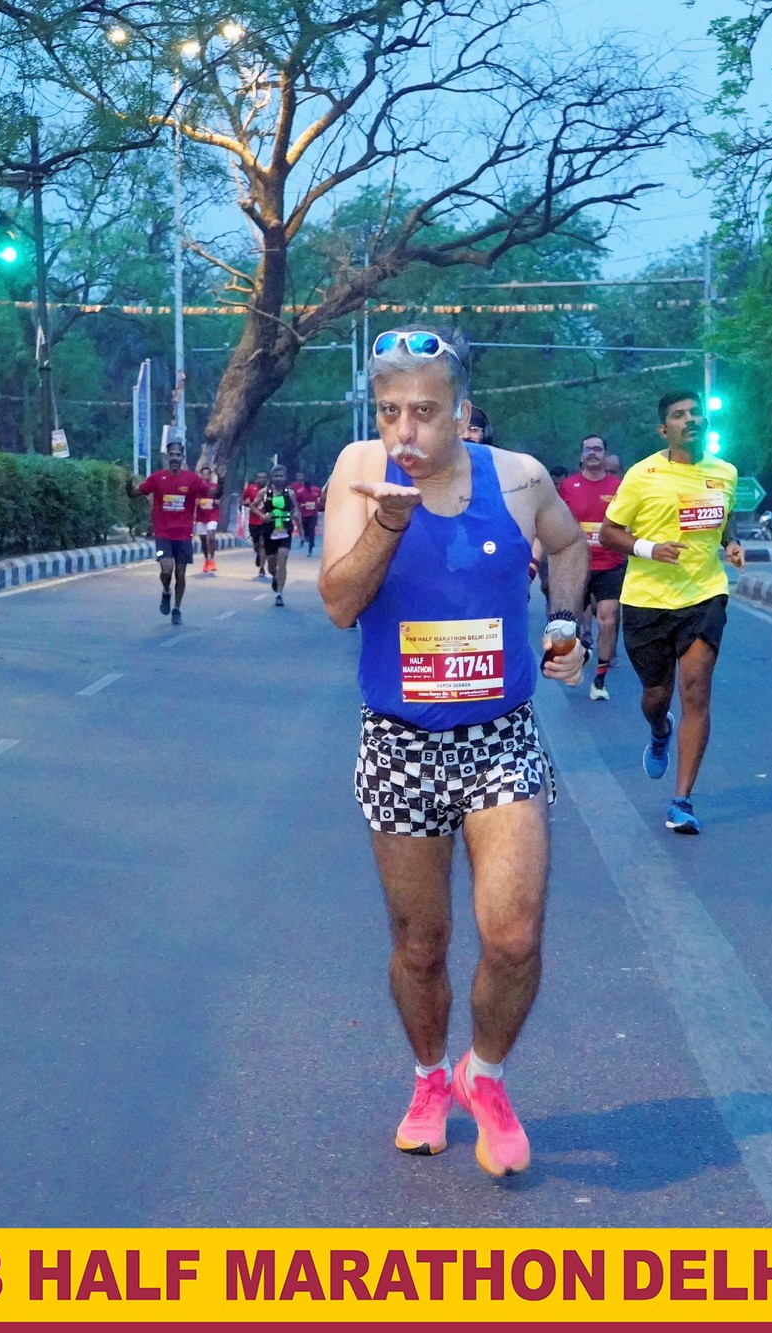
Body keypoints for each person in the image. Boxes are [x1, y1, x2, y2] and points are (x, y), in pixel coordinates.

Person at [319, 325, 589, 1179]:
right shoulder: (359, 472)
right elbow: (339, 602)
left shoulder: (519, 477)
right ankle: (431, 1076)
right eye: (390, 410)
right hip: (399, 744)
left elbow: (570, 543)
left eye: (425, 411)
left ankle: (488, 1076)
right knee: (421, 944)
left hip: (499, 737)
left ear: (462, 411)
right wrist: (387, 522)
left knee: (513, 936)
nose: (406, 430)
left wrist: (563, 624)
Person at [598, 390, 743, 835]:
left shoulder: (725, 472)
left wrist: (731, 543)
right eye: (680, 415)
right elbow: (608, 533)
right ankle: (660, 731)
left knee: (696, 691)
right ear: (665, 429)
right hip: (647, 600)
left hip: (704, 594)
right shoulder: (642, 475)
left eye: (696, 412)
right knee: (656, 696)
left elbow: (723, 518)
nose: (691, 419)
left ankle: (682, 801)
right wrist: (650, 548)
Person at [558, 434, 624, 700]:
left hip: (610, 564)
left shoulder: (619, 486)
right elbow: (557, 521)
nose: (593, 453)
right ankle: (577, 654)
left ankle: (599, 680)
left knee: (608, 619)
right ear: (581, 455)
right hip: (577, 566)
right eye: (588, 449)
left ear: (606, 456)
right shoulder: (568, 486)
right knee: (567, 622)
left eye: (598, 449)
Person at [130, 441, 211, 625]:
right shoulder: (157, 478)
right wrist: (128, 486)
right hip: (163, 535)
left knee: (180, 574)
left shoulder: (192, 480)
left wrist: (220, 481)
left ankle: (177, 608)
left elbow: (213, 494)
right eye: (172, 454)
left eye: (178, 455)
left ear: (183, 458)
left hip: (183, 536)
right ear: (167, 457)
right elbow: (135, 493)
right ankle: (166, 591)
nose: (175, 458)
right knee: (166, 570)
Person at [251, 464, 300, 607]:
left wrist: (295, 515)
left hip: (285, 530)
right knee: (272, 565)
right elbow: (253, 506)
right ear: (272, 477)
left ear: (286, 477)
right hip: (269, 530)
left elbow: (295, 508)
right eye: (276, 476)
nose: (279, 478)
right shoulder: (264, 493)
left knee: (282, 561)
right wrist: (262, 516)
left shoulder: (290, 493)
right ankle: (275, 577)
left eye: (281, 476)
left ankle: (279, 594)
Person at [193, 463, 223, 573]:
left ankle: (212, 559)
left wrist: (218, 501)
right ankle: (206, 559)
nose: (205, 476)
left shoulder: (214, 487)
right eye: (203, 474)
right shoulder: (197, 488)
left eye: (207, 474)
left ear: (210, 475)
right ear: (200, 475)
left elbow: (219, 495)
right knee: (203, 539)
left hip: (212, 515)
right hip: (201, 517)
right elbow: (192, 500)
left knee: (211, 536)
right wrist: (195, 504)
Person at [243, 471, 270, 578]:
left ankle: (262, 568)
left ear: (267, 479)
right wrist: (246, 503)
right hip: (253, 521)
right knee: (257, 545)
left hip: (266, 521)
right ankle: (259, 554)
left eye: (264, 477)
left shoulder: (270, 490)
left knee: (263, 543)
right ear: (256, 479)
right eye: (259, 477)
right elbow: (243, 499)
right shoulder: (251, 488)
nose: (261, 480)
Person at [295, 472, 324, 555]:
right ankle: (308, 539)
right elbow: (297, 502)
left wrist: (320, 507)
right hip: (304, 514)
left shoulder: (316, 490)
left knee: (311, 529)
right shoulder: (300, 492)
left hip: (313, 514)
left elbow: (321, 499)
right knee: (306, 530)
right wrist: (300, 507)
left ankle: (310, 547)